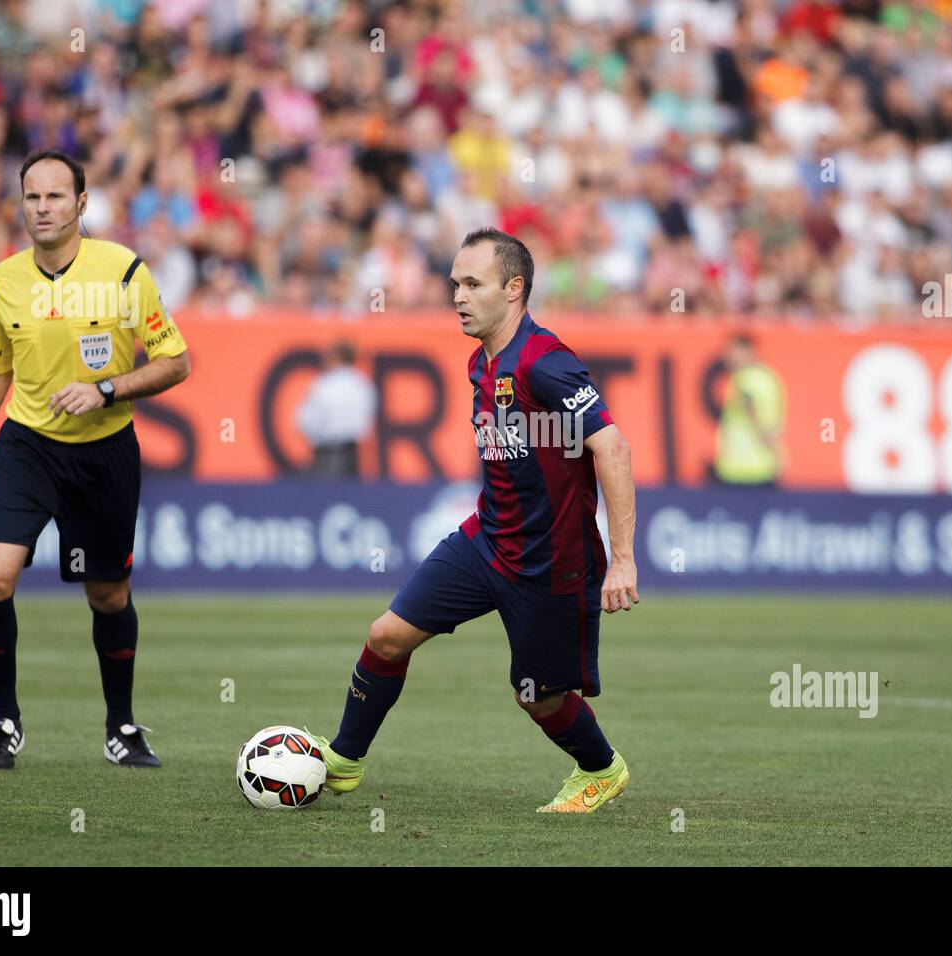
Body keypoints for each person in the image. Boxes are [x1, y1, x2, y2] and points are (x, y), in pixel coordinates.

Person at [311, 228, 640, 813]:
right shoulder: (480, 362)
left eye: (472, 283)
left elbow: (611, 447)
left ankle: (601, 768)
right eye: (454, 284)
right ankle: (344, 761)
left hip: (551, 564)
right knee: (387, 635)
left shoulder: (547, 363)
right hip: (486, 540)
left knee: (537, 697)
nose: (458, 296)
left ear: (514, 289)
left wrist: (622, 559)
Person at [0, 150, 191, 768]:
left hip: (105, 453)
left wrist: (106, 388)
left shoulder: (123, 272)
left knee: (108, 597)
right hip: (28, 448)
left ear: (82, 204)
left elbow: (175, 361)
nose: (43, 208)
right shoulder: (3, 281)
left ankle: (120, 727)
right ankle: (3, 720)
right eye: (32, 197)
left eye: (56, 197)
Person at [294, 341, 377, 479]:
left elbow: (304, 421)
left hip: (327, 456)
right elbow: (368, 419)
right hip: (353, 456)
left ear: (336, 358)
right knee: (350, 495)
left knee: (327, 496)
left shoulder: (324, 385)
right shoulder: (364, 385)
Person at [712, 333, 786, 486]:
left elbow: (749, 404)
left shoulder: (746, 378)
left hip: (746, 471)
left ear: (749, 352)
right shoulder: (768, 377)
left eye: (732, 352)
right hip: (759, 467)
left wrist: (773, 447)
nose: (727, 357)